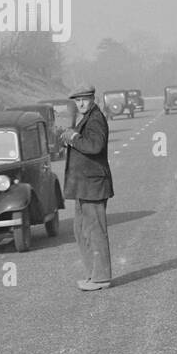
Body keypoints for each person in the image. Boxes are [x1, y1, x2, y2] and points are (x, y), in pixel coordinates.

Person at [59, 84, 114, 290]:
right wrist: (70, 138)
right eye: (77, 100)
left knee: (94, 231)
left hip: (93, 185)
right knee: (81, 229)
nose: (80, 103)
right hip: (85, 185)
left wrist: (74, 138)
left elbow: (95, 146)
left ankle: (101, 278)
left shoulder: (96, 119)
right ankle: (93, 275)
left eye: (84, 99)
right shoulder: (87, 118)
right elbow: (85, 143)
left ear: (93, 98)